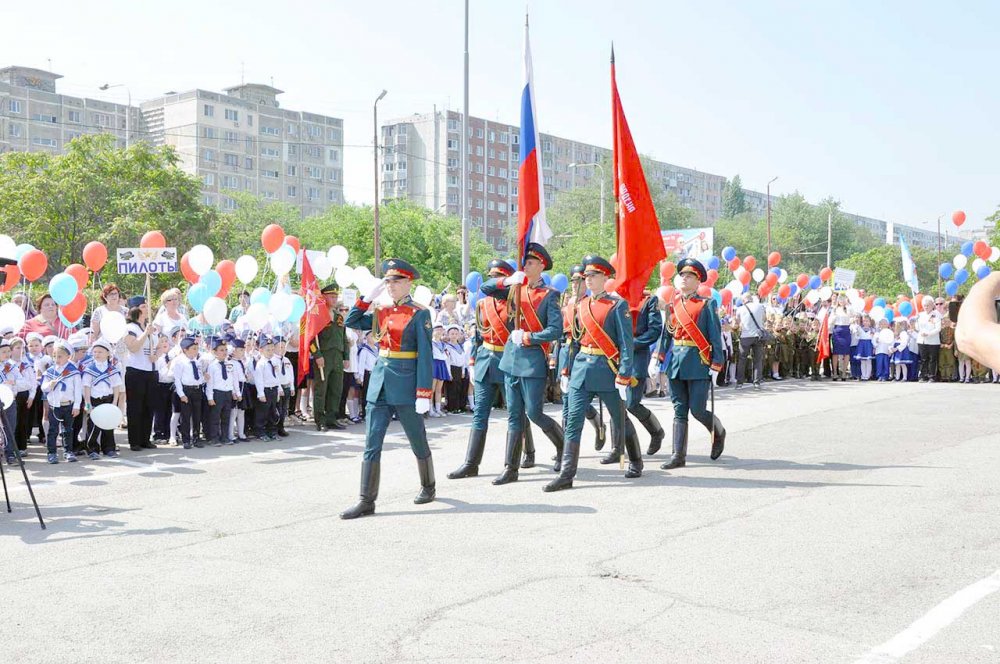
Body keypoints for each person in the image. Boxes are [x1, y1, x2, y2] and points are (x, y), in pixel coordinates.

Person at [341, 258, 436, 519]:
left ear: (409, 283)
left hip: (406, 384)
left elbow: (425, 355)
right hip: (380, 381)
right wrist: (366, 298)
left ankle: (428, 485)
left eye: (396, 281)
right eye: (388, 281)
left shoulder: (420, 313)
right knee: (372, 441)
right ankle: (366, 500)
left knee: (417, 438)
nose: (391, 286)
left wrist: (424, 392)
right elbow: (351, 320)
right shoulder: (381, 311)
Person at [547, 255, 641, 492]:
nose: (588, 280)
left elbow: (626, 344)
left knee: (620, 419)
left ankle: (636, 460)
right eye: (586, 276)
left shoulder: (617, 306)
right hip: (581, 370)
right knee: (574, 421)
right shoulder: (581, 305)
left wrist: (624, 374)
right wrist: (567, 370)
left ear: (605, 277)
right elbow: (575, 342)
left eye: (593, 276)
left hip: (607, 371)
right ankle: (567, 474)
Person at [480, 243, 565, 483]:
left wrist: (529, 337)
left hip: (533, 360)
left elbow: (555, 330)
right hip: (511, 360)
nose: (525, 266)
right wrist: (506, 282)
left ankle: (562, 447)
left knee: (534, 413)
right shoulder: (514, 288)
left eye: (530, 263)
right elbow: (485, 288)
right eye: (524, 262)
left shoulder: (549, 295)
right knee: (514, 415)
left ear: (540, 266)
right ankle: (511, 468)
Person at [448, 259, 536, 480]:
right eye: (492, 277)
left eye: (498, 277)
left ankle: (525, 454)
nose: (492, 281)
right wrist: (473, 360)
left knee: (515, 412)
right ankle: (471, 463)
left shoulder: (516, 302)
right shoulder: (482, 304)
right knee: (480, 413)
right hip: (486, 359)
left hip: (508, 359)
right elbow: (479, 335)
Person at [661, 258, 726, 470]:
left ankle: (718, 430)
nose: (684, 279)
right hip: (677, 363)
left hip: (698, 362)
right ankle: (678, 456)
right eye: (682, 275)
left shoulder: (706, 304)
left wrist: (717, 363)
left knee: (697, 410)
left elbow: (715, 336)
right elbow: (666, 335)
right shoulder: (674, 305)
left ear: (698, 282)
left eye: (689, 276)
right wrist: (659, 358)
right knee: (679, 410)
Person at [123, 297, 162, 452]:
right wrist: (145, 333)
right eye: (144, 306)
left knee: (149, 406)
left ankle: (146, 439)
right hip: (136, 371)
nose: (147, 309)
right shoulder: (131, 328)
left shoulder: (151, 327)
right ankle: (135, 440)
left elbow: (159, 346)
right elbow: (133, 347)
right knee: (135, 407)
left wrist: (157, 355)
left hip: (151, 371)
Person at [310, 284, 350, 431]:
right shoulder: (319, 316)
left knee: (336, 388)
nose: (334, 299)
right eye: (331, 296)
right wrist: (317, 355)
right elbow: (311, 338)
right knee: (321, 388)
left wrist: (346, 356)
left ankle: (332, 418)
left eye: (336, 296)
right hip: (324, 356)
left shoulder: (339, 317)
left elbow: (344, 338)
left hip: (337, 356)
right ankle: (320, 419)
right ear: (324, 297)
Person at [41, 340, 82, 463]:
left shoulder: (73, 372)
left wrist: (76, 406)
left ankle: (68, 452)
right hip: (54, 406)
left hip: (68, 405)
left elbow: (77, 390)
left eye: (60, 356)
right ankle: (52, 453)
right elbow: (43, 387)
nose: (56, 359)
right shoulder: (50, 371)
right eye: (54, 356)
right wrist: (49, 385)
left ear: (68, 356)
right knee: (53, 430)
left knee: (68, 430)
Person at [82, 338, 123, 458]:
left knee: (108, 426)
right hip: (94, 400)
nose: (97, 354)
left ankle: (109, 448)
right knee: (93, 426)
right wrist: (87, 403)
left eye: (100, 352)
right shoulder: (90, 369)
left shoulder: (112, 369)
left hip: (108, 400)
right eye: (95, 352)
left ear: (108, 353)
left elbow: (116, 387)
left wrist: (115, 402)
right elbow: (87, 387)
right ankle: (92, 449)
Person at [206, 337, 239, 446]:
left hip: (228, 393)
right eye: (221, 350)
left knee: (226, 416)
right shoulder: (212, 366)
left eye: (225, 350)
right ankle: (213, 438)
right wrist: (210, 397)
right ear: (214, 352)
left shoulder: (230, 364)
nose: (224, 352)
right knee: (215, 417)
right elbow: (210, 383)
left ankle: (224, 437)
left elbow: (234, 380)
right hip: (217, 393)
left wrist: (236, 392)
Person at [736, 294, 765, 388]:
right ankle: (757, 382)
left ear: (744, 300)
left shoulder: (740, 309)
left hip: (745, 335)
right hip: (758, 335)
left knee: (742, 359)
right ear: (751, 299)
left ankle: (739, 383)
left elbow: (737, 322)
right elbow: (764, 319)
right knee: (757, 360)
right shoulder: (760, 306)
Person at [916, 295, 942, 382]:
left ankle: (932, 376)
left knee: (932, 359)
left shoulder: (936, 315)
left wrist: (928, 334)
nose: (926, 307)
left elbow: (938, 328)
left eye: (928, 305)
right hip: (922, 340)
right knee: (923, 359)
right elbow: (917, 327)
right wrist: (916, 321)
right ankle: (923, 375)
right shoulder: (920, 315)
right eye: (925, 305)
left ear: (932, 305)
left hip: (933, 341)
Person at [829, 296, 852, 381]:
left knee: (846, 353)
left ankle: (844, 373)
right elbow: (830, 321)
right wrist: (833, 317)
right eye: (840, 299)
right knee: (835, 353)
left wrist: (848, 305)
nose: (842, 301)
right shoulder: (835, 309)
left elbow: (853, 316)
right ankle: (835, 372)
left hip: (846, 330)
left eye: (843, 299)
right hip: (837, 331)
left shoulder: (849, 308)